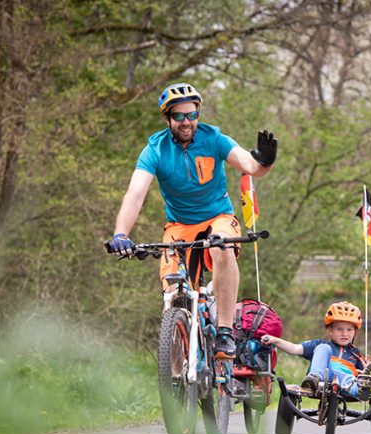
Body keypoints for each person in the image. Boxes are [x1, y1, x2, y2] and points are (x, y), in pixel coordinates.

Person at [109, 82, 277, 359]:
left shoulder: (214, 138)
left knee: (221, 246)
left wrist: (265, 161)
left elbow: (250, 166)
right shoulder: (155, 149)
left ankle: (225, 331)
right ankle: (177, 360)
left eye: (192, 115)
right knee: (173, 291)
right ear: (168, 119)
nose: (187, 122)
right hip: (179, 226)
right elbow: (135, 194)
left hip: (218, 217)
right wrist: (121, 234)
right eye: (179, 116)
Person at [261, 301, 371, 401]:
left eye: (349, 330)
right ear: (330, 331)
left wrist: (365, 373)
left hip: (345, 385)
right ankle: (314, 378)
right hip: (322, 380)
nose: (344, 333)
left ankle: (362, 388)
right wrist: (275, 340)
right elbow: (294, 348)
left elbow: (360, 374)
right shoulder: (319, 345)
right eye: (339, 329)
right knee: (324, 348)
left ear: (354, 332)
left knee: (350, 379)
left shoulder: (356, 354)